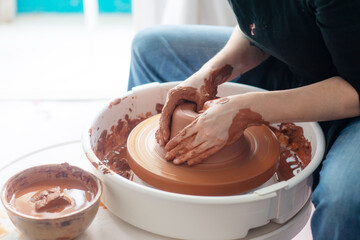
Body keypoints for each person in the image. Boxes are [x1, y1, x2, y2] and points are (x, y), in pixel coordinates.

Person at [127, 1, 360, 239]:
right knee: (150, 49)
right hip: (293, 61)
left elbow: (355, 90)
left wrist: (245, 110)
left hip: (351, 97)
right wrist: (208, 75)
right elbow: (259, 26)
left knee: (345, 206)